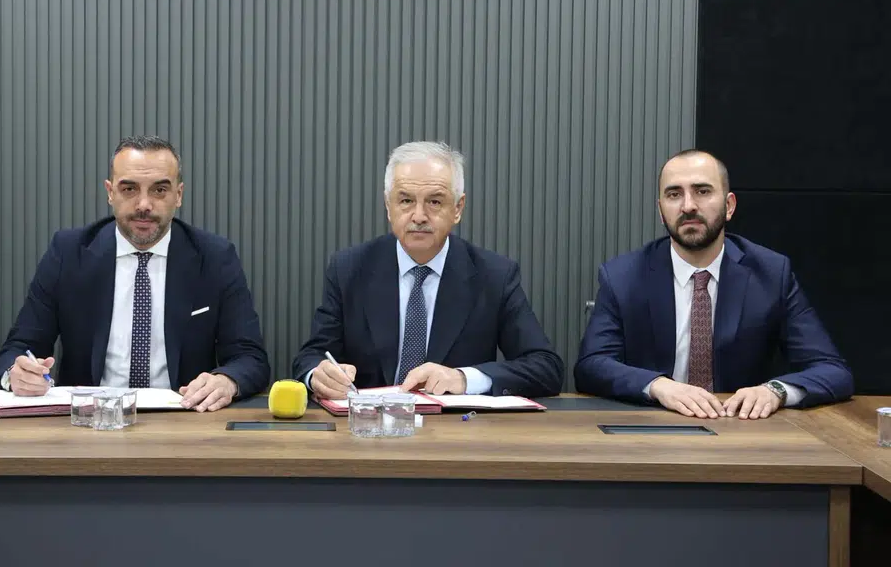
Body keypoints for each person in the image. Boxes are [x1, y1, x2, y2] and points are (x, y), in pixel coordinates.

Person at [0, 136, 270, 411]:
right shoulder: (69, 253)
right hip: (88, 421)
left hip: (183, 418)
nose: (144, 205)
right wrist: (17, 373)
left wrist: (226, 381)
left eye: (159, 190)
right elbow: (18, 348)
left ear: (178, 195)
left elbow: (250, 358)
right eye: (129, 189)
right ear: (110, 192)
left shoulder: (214, 257)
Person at [575, 149, 853, 419]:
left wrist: (775, 391)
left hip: (741, 426)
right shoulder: (623, 276)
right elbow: (591, 366)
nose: (688, 206)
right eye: (674, 194)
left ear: (729, 206)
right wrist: (658, 386)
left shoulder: (771, 274)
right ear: (661, 211)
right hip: (653, 427)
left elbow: (832, 370)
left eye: (702, 191)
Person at [291, 141, 564, 399]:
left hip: (457, 427)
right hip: (370, 425)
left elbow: (545, 367)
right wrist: (318, 376)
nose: (419, 216)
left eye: (434, 202)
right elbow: (311, 357)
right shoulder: (349, 269)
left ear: (458, 208)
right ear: (388, 206)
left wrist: (464, 379)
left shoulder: (494, 275)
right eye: (406, 201)